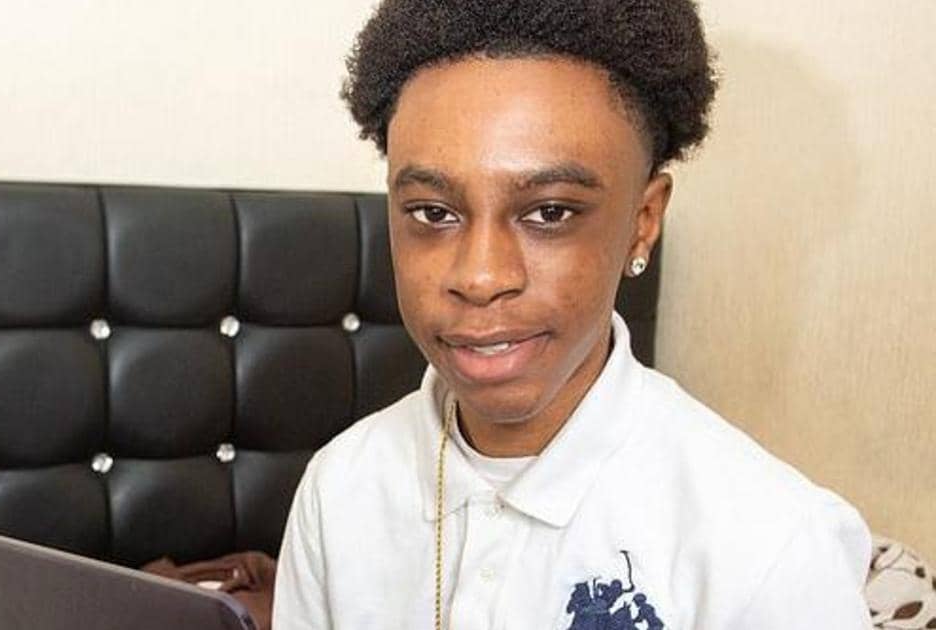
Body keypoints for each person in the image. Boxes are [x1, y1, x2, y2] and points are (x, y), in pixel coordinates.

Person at [272, 1, 872, 628]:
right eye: (433, 213)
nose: (480, 277)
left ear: (643, 221)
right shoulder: (339, 491)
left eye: (550, 213)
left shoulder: (769, 547)